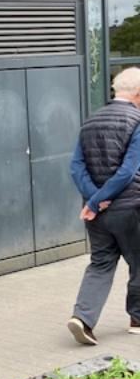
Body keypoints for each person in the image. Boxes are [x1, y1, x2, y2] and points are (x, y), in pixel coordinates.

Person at [67, 66, 140, 346]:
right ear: (138, 93)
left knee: (100, 263)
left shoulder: (90, 121)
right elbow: (128, 171)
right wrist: (100, 200)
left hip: (96, 214)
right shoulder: (137, 121)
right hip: (131, 207)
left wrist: (94, 201)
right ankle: (137, 319)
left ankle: (83, 319)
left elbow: (76, 167)